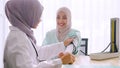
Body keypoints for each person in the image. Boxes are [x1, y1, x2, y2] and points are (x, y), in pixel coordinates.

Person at [4, 0, 75, 68]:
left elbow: (38, 52)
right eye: (36, 15)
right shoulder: (17, 40)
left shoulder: (22, 35)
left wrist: (63, 44)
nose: (40, 19)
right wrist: (60, 61)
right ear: (26, 15)